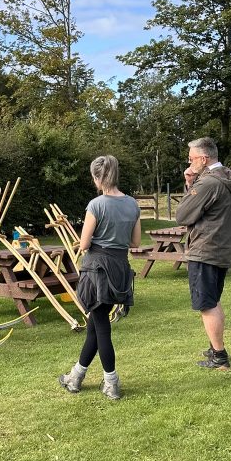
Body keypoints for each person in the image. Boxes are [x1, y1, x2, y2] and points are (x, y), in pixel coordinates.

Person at [58, 155, 141, 400]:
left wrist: (91, 239)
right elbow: (135, 242)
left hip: (97, 269)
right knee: (96, 325)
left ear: (97, 177)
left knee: (101, 327)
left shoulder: (96, 205)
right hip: (119, 267)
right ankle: (75, 377)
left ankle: (111, 382)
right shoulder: (132, 204)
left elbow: (84, 244)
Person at [175, 137, 231, 370]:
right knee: (213, 301)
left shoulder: (208, 184)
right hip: (221, 248)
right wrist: (192, 181)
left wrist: (192, 185)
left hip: (205, 249)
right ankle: (216, 348)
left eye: (191, 158)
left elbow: (182, 215)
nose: (189, 162)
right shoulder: (227, 177)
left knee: (207, 304)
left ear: (204, 158)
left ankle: (220, 357)